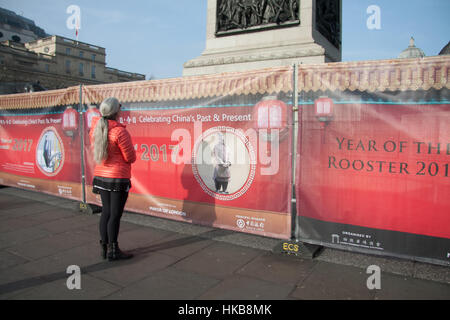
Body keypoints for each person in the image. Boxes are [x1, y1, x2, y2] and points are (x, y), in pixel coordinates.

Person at [90, 97, 136, 261]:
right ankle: (114, 250)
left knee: (106, 213)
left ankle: (104, 248)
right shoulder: (120, 132)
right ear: (117, 111)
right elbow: (130, 157)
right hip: (117, 178)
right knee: (115, 215)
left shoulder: (96, 129)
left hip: (101, 176)